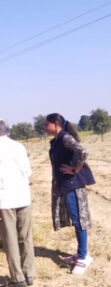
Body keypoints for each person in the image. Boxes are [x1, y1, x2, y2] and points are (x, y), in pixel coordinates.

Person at [0, 118, 35, 287]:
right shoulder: (19, 147)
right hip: (23, 197)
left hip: (5, 201)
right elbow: (28, 171)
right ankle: (29, 274)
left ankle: (18, 278)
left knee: (11, 240)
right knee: (26, 238)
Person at [45, 113, 95, 275]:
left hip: (74, 185)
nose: (45, 128)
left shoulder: (64, 138)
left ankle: (83, 257)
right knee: (76, 219)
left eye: (47, 124)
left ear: (55, 123)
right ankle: (81, 253)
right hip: (66, 185)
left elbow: (83, 152)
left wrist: (75, 169)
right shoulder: (57, 140)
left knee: (79, 220)